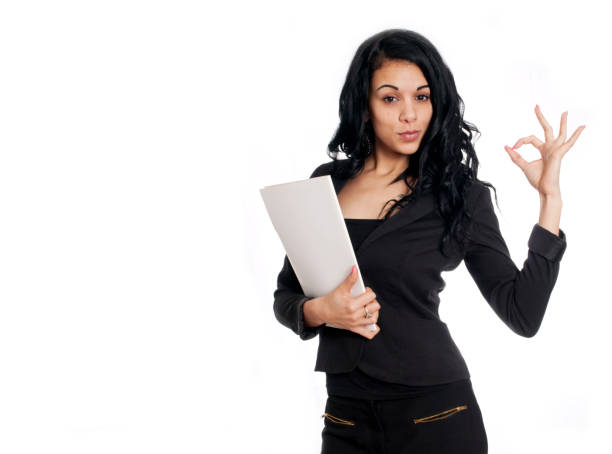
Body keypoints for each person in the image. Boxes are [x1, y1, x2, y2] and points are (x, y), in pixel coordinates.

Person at [272, 29, 584, 454]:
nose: (409, 115)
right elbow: (286, 296)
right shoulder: (325, 183)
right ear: (364, 106)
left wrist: (550, 201)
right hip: (344, 417)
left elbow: (522, 313)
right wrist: (322, 310)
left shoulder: (459, 194)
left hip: (435, 415)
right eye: (390, 98)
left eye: (421, 97)